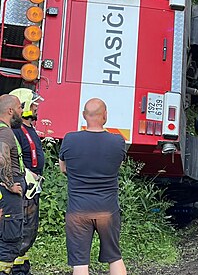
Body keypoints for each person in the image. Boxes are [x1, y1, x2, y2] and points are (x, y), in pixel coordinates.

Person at [59, 98, 127, 275]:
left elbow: (63, 168)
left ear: (84, 116)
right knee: (114, 257)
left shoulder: (70, 139)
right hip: (107, 211)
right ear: (105, 116)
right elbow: (117, 166)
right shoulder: (117, 141)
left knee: (80, 263)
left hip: (77, 212)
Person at [9, 89, 44, 275]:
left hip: (31, 189)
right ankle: (15, 269)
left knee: (29, 232)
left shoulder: (28, 128)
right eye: (34, 103)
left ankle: (22, 266)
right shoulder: (15, 131)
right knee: (19, 231)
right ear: (24, 106)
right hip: (23, 188)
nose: (37, 106)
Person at [0, 94, 25, 274]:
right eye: (19, 108)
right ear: (10, 111)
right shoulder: (5, 132)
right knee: (9, 240)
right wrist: (10, 184)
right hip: (9, 195)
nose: (22, 111)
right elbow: (2, 158)